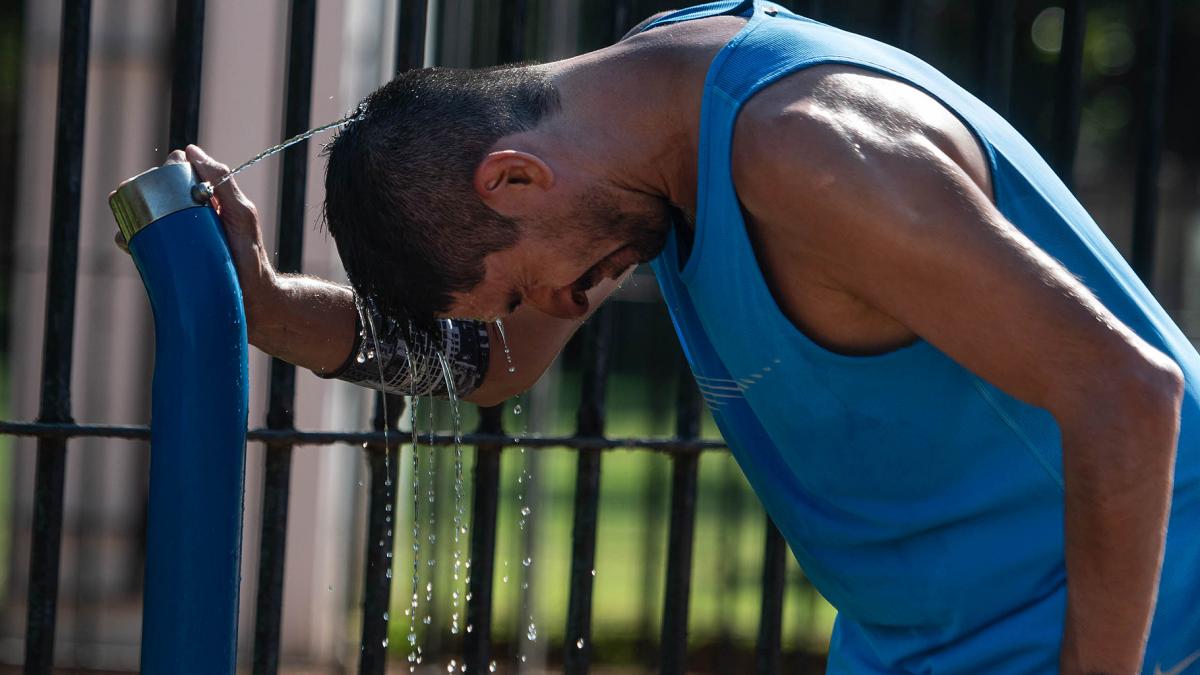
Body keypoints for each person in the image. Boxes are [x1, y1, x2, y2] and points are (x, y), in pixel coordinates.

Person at [144, 1, 1200, 672]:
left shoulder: (810, 147)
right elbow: (483, 371)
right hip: (926, 637)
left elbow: (1128, 392)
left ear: (515, 177)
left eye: (520, 292)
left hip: (1131, 623)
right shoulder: (650, 126)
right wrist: (273, 308)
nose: (551, 319)